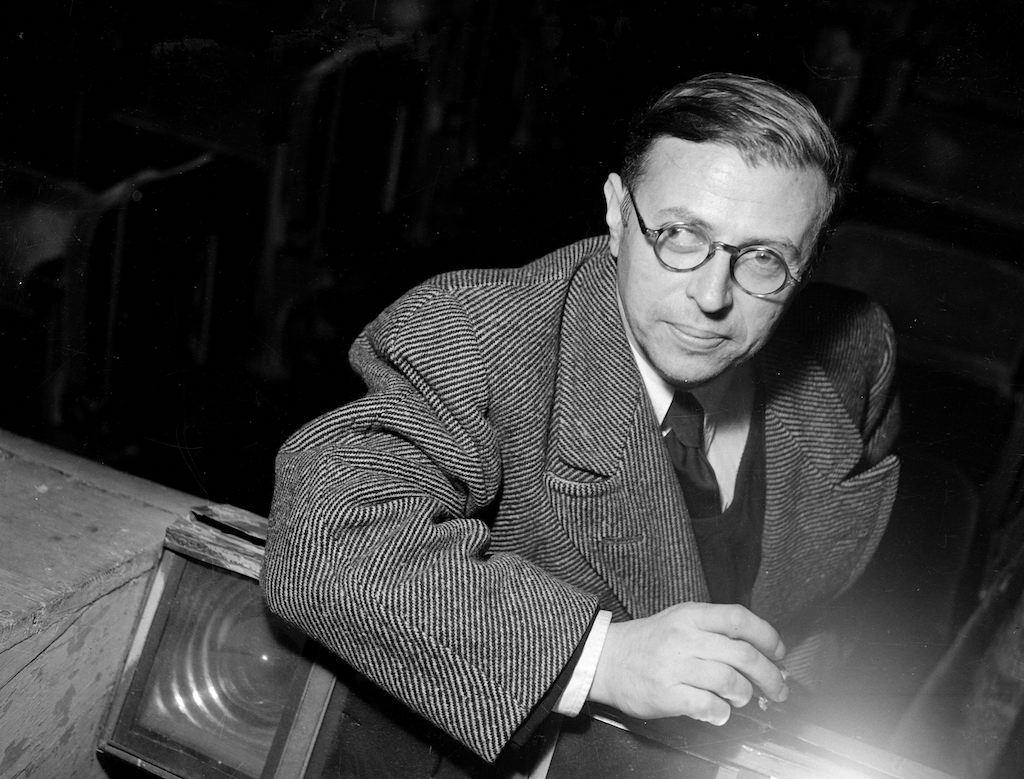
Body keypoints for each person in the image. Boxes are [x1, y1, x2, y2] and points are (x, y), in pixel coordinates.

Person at [261, 72, 900, 775]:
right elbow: (325, 541)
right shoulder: (475, 335)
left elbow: (818, 611)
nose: (712, 295)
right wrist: (601, 656)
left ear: (807, 262)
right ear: (618, 214)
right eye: (681, 234)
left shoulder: (852, 354)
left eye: (765, 259)